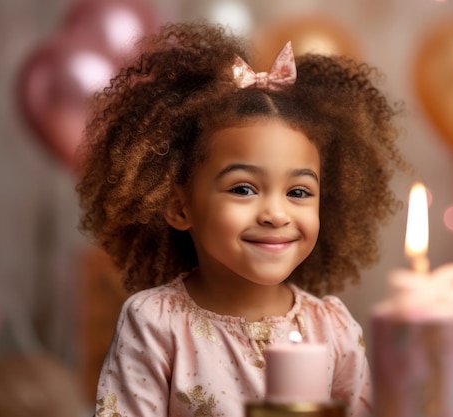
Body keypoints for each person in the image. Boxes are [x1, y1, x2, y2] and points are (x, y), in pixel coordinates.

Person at [76, 21, 408, 417]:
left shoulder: (333, 330)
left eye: (298, 192)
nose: (274, 213)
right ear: (180, 207)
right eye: (243, 189)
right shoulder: (155, 324)